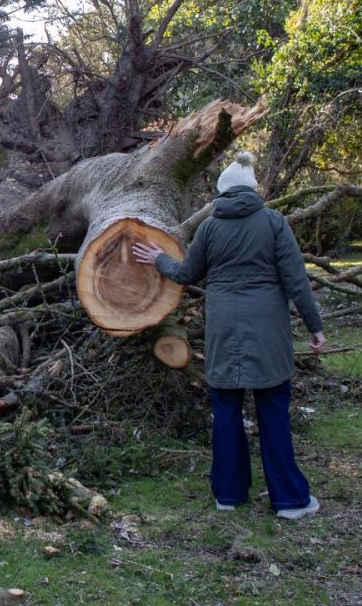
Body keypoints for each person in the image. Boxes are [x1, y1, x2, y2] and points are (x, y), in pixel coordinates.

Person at [130, 151, 326, 519]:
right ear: (252, 190)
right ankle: (289, 501)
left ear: (221, 193)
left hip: (223, 329)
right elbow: (297, 282)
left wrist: (158, 258)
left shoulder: (210, 227)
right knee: (273, 414)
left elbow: (187, 272)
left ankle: (229, 494)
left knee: (225, 413)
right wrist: (315, 327)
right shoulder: (273, 223)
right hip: (268, 331)